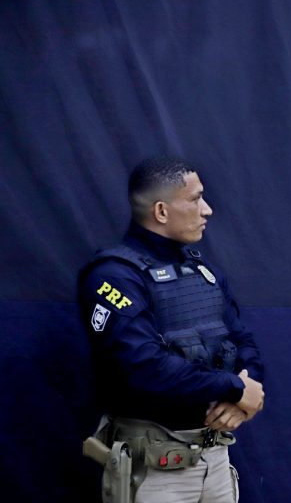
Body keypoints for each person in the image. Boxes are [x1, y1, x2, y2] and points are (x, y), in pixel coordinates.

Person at [78, 156, 265, 503]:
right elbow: (144, 367)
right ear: (162, 211)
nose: (207, 210)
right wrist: (235, 387)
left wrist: (245, 391)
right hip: (154, 473)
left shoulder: (202, 272)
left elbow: (242, 341)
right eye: (195, 199)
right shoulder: (114, 276)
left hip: (217, 463)